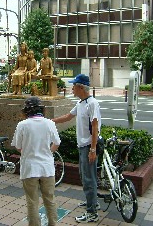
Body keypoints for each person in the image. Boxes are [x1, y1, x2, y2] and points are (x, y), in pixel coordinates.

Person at [52, 74, 101, 223]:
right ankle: (92, 202)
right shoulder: (81, 103)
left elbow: (95, 126)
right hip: (83, 146)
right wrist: (49, 121)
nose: (72, 88)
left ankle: (92, 212)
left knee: (88, 179)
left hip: (89, 147)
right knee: (85, 176)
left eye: (74, 85)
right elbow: (68, 116)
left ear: (80, 87)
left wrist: (93, 150)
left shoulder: (92, 103)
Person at [11, 96, 61, 226]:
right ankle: (53, 224)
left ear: (26, 110)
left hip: (29, 168)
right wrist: (48, 153)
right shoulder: (49, 123)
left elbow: (18, 146)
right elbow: (57, 143)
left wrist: (27, 152)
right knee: (49, 199)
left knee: (32, 201)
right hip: (47, 168)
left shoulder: (22, 125)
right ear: (41, 109)